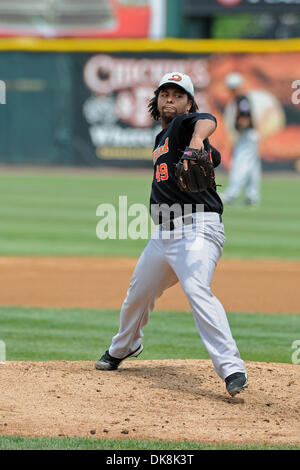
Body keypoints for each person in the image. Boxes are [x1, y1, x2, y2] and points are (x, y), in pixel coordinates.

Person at [95, 72, 248, 397]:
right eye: (164, 93)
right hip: (164, 233)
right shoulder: (163, 137)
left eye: (178, 95)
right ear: (156, 100)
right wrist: (207, 153)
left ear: (188, 103)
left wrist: (196, 142)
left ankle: (232, 368)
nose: (169, 99)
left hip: (198, 228)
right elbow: (213, 155)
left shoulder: (185, 125)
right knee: (138, 294)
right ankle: (124, 347)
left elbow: (206, 120)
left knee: (196, 289)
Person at [221, 73, 261, 206]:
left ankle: (232, 193)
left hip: (246, 134)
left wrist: (240, 131)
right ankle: (252, 195)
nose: (231, 90)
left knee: (240, 164)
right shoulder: (241, 99)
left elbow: (245, 117)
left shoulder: (241, 99)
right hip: (249, 134)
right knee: (252, 166)